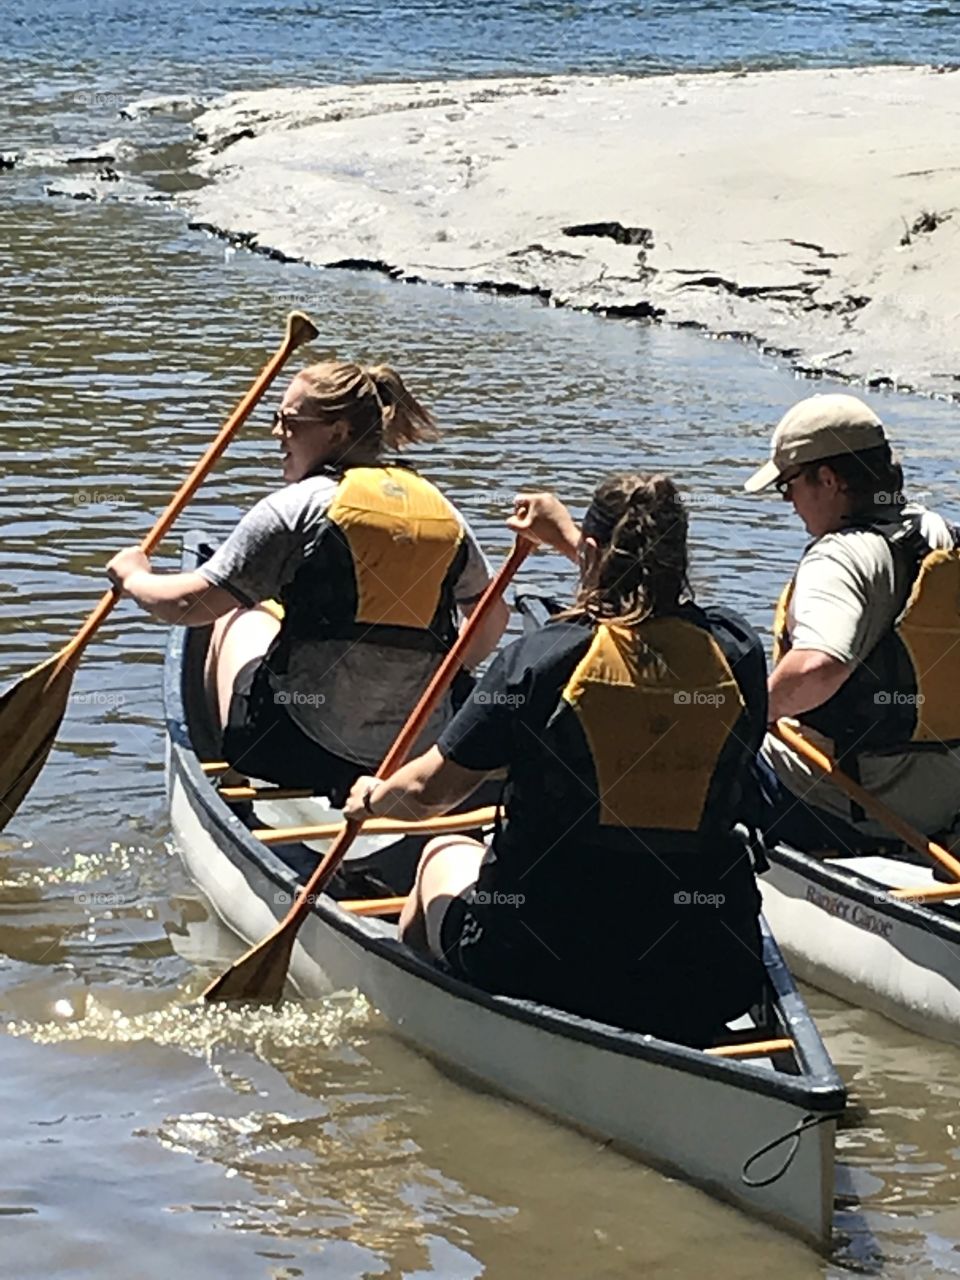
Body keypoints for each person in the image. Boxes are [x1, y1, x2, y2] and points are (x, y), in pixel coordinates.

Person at [344, 474, 768, 1046]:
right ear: (681, 556)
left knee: (441, 853)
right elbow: (647, 620)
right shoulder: (738, 652)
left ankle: (430, 1034)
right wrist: (573, 540)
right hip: (705, 970)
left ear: (590, 553)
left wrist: (373, 797)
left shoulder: (539, 661)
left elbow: (427, 795)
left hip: (538, 961)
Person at [106, 359, 508, 801]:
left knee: (235, 617)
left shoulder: (294, 508)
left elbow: (188, 606)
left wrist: (134, 577)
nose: (277, 432)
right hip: (418, 749)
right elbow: (491, 619)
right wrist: (437, 679)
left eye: (290, 422)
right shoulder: (441, 511)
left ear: (337, 432)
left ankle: (231, 772)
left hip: (298, 749)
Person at [743, 392, 960, 852]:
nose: (788, 502)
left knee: (700, 751)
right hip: (945, 798)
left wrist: (745, 716)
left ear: (827, 479)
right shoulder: (936, 532)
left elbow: (818, 666)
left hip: (855, 805)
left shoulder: (839, 559)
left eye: (789, 486)